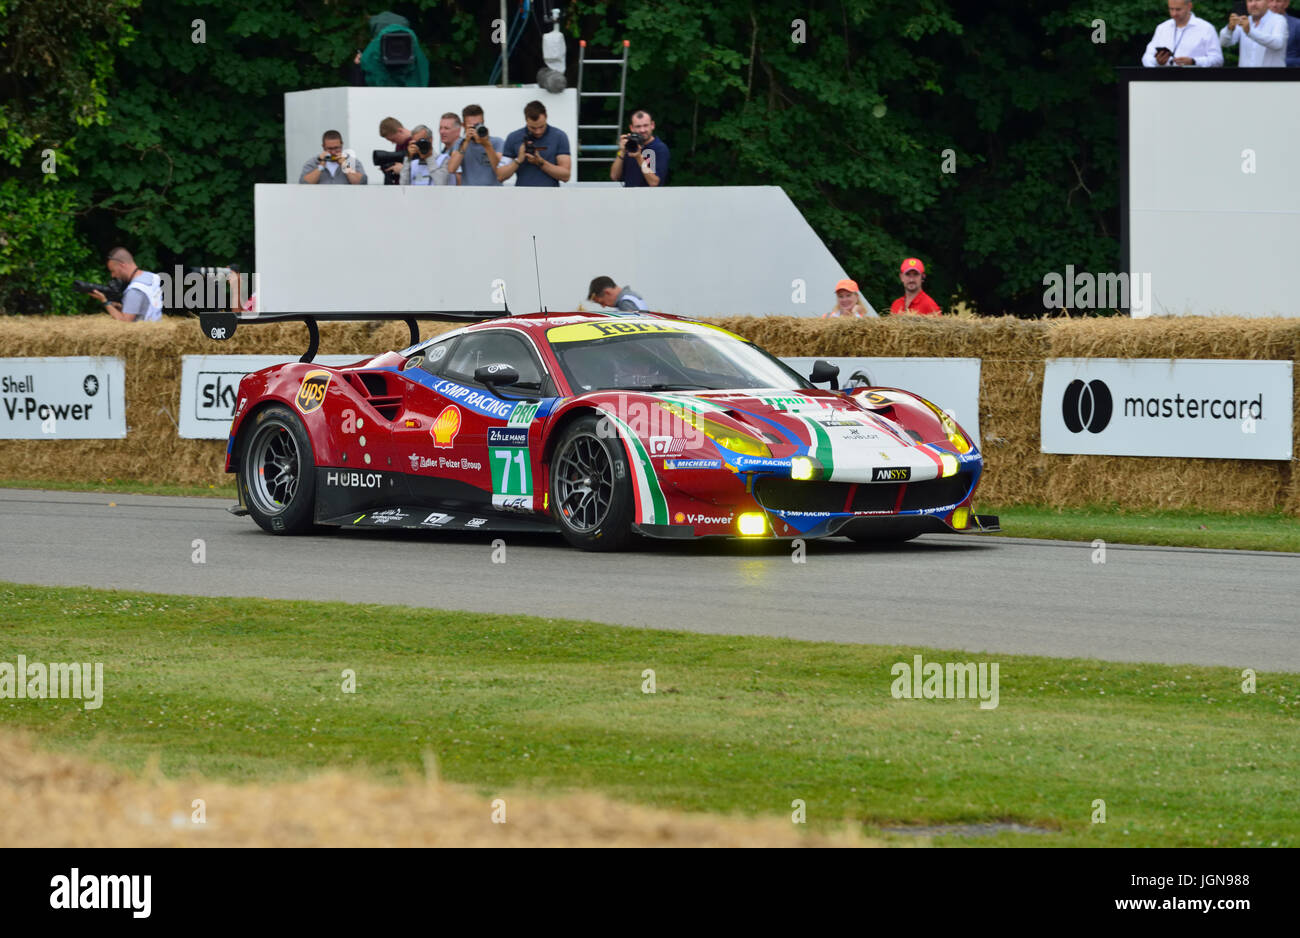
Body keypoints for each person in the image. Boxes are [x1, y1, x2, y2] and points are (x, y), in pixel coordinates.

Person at [501, 100, 572, 186]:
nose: (538, 131)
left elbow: (565, 176)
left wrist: (540, 162)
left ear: (546, 117)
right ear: (526, 120)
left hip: (551, 196)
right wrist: (518, 160)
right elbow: (501, 176)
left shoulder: (559, 136)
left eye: (541, 126)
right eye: (533, 128)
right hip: (522, 196)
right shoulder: (513, 138)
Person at [88, 248, 163, 322]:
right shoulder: (151, 277)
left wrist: (105, 302)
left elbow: (125, 321)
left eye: (113, 271)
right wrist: (122, 307)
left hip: (143, 332)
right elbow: (146, 306)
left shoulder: (135, 290)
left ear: (122, 265)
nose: (112, 275)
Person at [445, 105, 512, 186]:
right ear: (464, 125)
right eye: (472, 126)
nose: (476, 129)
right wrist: (466, 142)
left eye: (479, 125)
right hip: (469, 194)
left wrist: (486, 145)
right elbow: (451, 169)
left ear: (483, 122)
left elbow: (500, 172)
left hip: (493, 194)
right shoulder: (460, 143)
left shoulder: (497, 142)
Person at [1141, 1, 1224, 67]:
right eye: (1171, 9)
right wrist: (1157, 62)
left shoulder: (1206, 28)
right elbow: (1147, 57)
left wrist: (1194, 61)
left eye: (1178, 9)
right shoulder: (1162, 28)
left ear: (1189, 7)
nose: (1174, 14)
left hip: (1195, 81)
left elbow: (1218, 60)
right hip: (1165, 81)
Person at [1220, 0, 1288, 66]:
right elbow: (1224, 43)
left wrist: (1250, 31)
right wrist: (1229, 29)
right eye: (1250, 1)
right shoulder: (1244, 20)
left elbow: (1278, 43)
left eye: (1258, 0)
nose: (1253, 4)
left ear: (1267, 2)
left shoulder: (1279, 20)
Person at [610, 110, 669, 187]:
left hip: (650, 197)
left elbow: (654, 183)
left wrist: (639, 157)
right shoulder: (629, 146)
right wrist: (622, 151)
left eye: (645, 125)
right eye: (638, 126)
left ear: (652, 125)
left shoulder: (659, 148)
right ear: (631, 128)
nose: (642, 130)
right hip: (629, 197)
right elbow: (614, 176)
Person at [299, 130, 367, 184]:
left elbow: (361, 182)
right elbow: (304, 183)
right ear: (323, 147)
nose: (333, 152)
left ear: (342, 145)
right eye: (330, 149)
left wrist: (345, 166)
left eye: (336, 148)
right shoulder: (313, 162)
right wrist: (321, 166)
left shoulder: (352, 161)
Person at [378, 117, 413, 184]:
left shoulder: (416, 143)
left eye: (393, 140)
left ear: (400, 131)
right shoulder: (400, 144)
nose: (393, 143)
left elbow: (423, 170)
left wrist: (403, 170)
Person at [434, 112, 463, 184]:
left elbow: (459, 179)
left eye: (446, 128)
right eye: (440, 128)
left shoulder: (462, 151)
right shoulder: (443, 153)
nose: (442, 132)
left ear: (458, 130)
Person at [1269, 0, 1300, 65]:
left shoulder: (1297, 25)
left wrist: (1281, 61)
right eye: (1270, 0)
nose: (1274, 5)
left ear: (1286, 3)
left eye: (1278, 1)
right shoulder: (1256, 25)